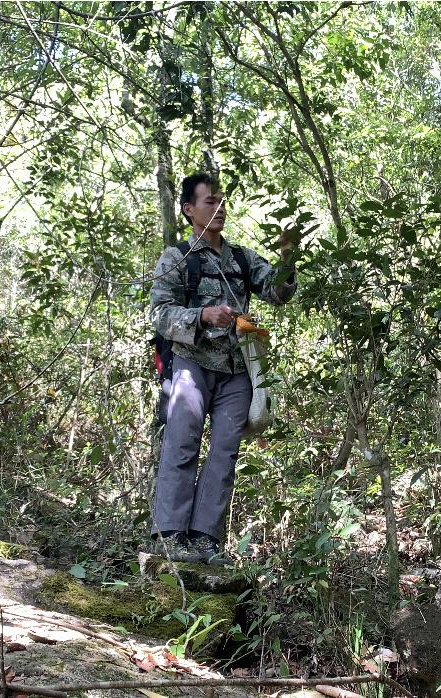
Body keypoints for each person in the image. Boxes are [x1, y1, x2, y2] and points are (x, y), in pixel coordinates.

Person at [147, 173, 297, 566]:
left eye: (221, 201)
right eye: (209, 201)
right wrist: (203, 315)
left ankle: (204, 540)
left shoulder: (243, 259)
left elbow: (278, 293)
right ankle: (170, 536)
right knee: (182, 442)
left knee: (225, 452)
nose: (218, 208)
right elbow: (159, 314)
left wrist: (286, 257)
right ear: (189, 209)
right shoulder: (176, 257)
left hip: (236, 369)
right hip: (191, 362)